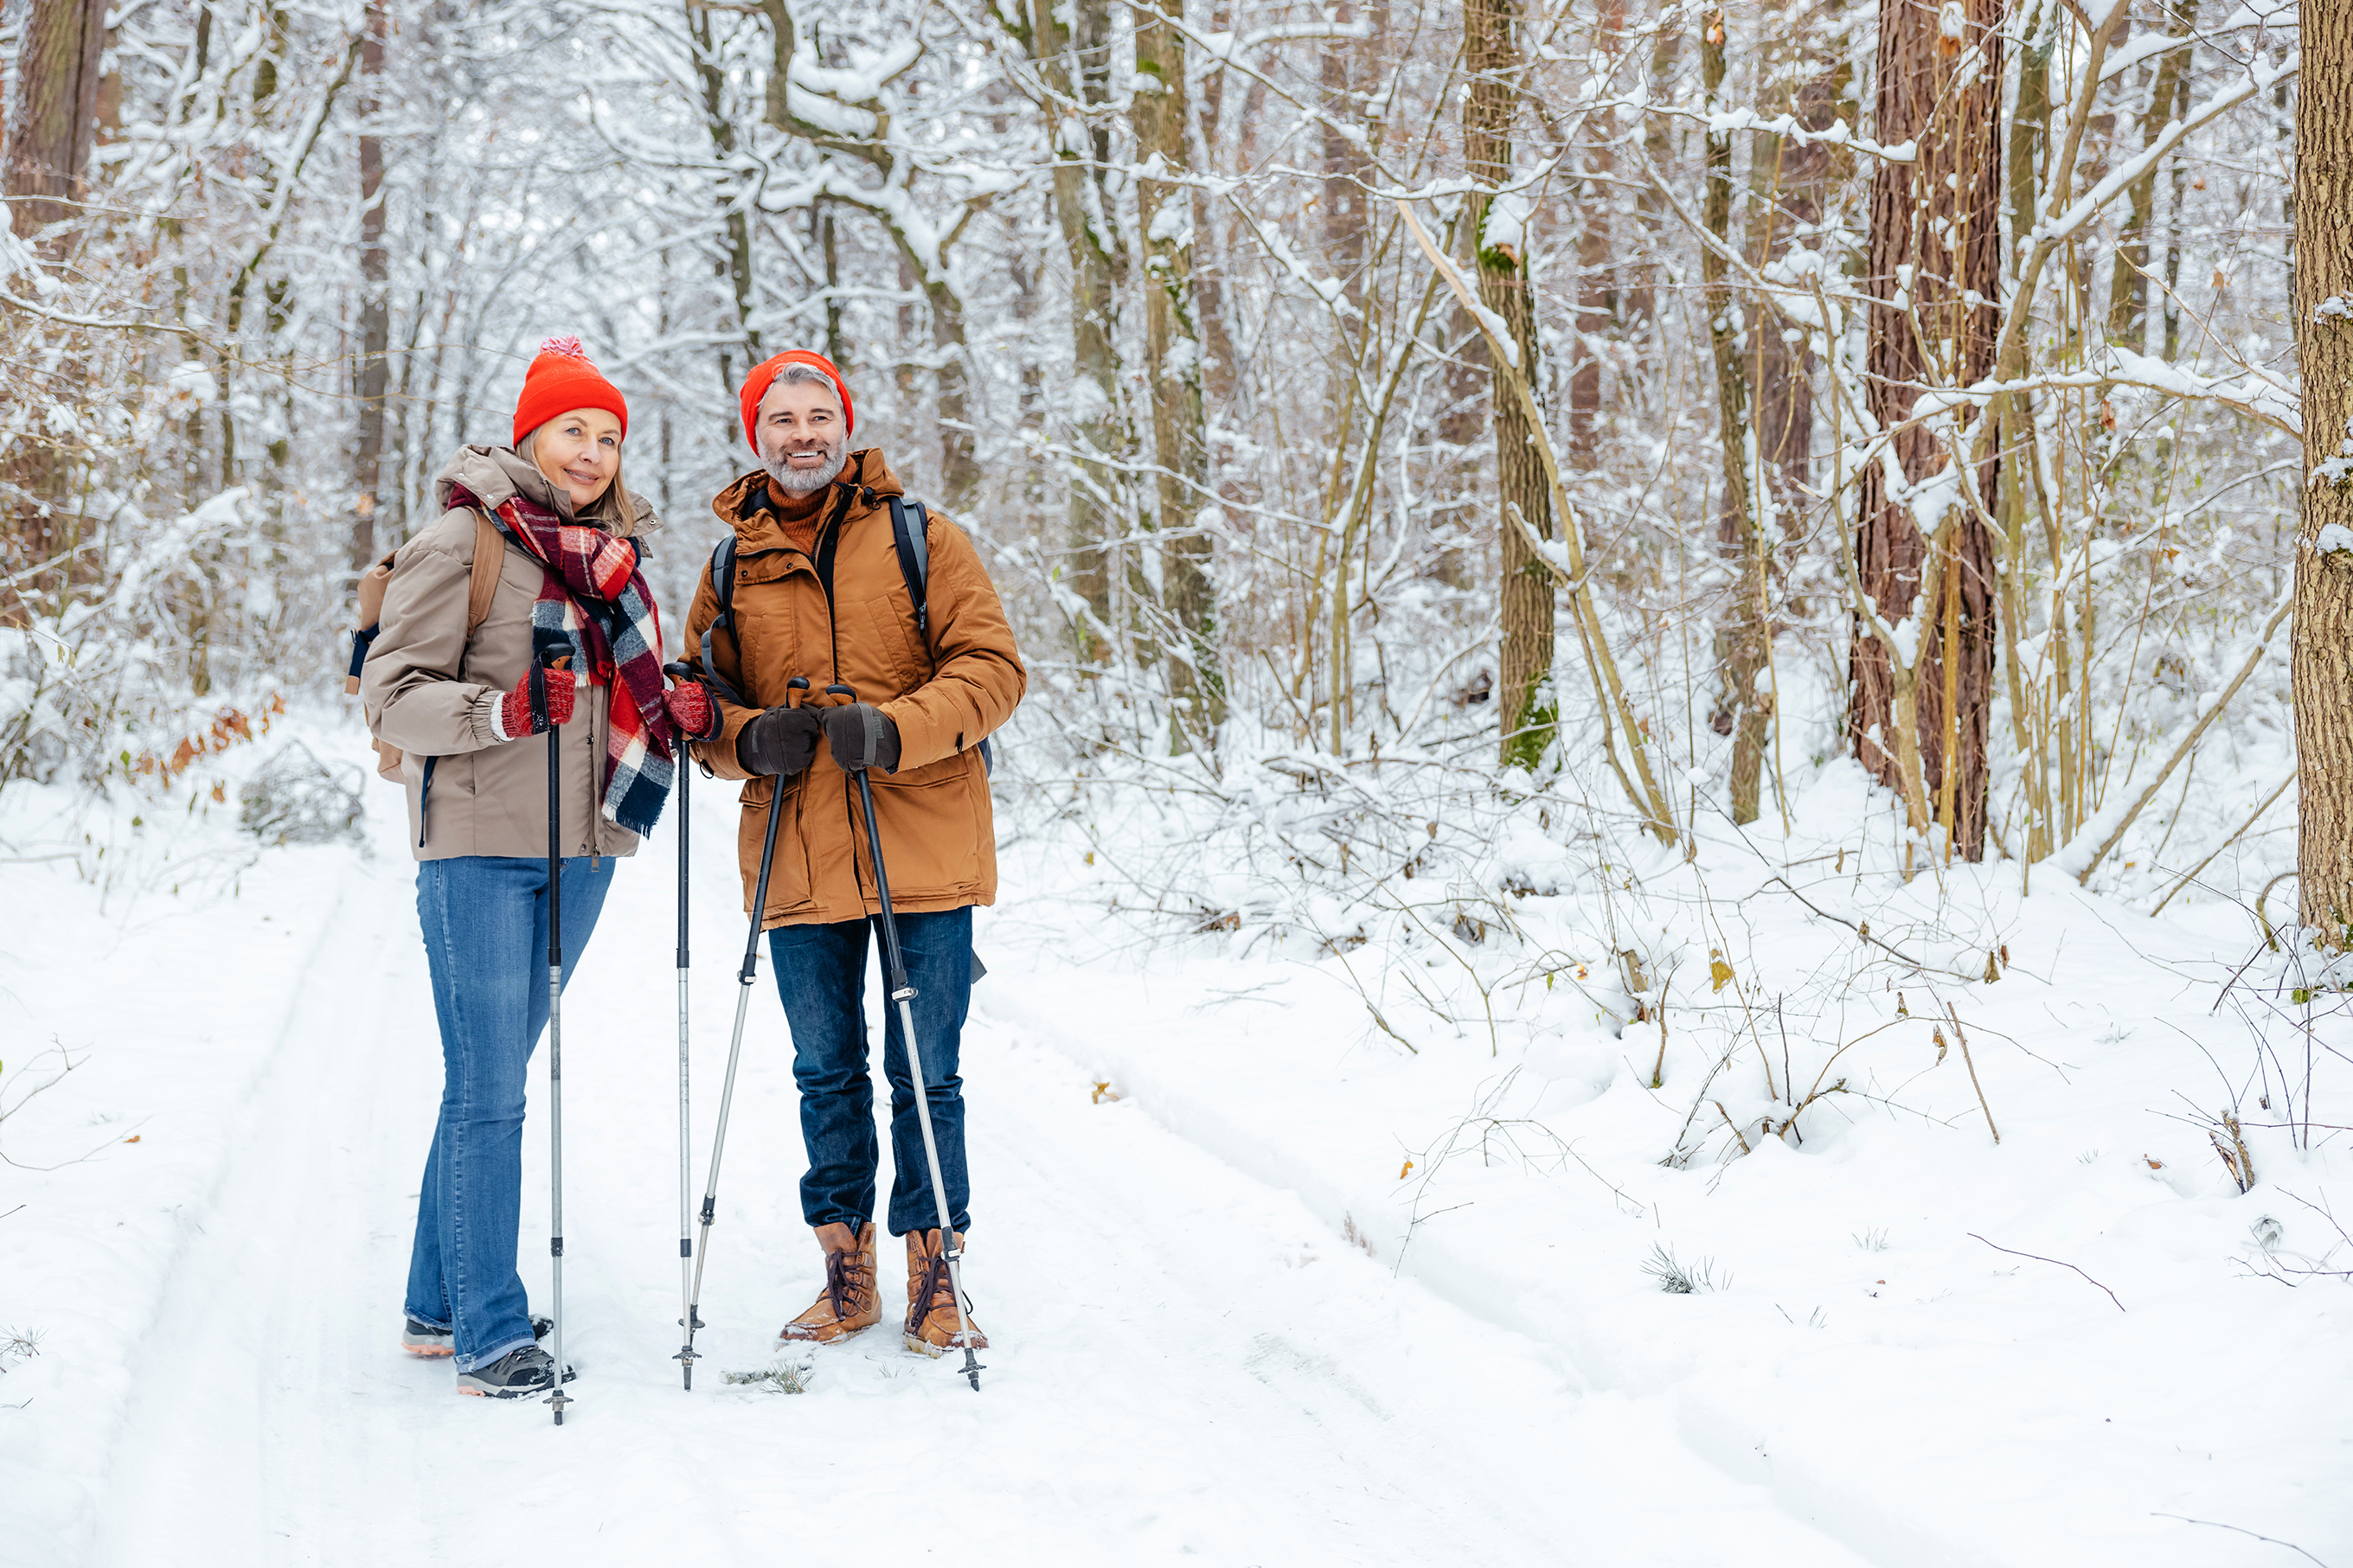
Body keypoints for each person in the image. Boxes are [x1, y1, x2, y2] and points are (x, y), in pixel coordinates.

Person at [362, 337, 713, 1398]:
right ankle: (490, 1333)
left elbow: (625, 699)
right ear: (528, 434)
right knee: (490, 1092)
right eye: (574, 429)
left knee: (490, 1078)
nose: (594, 451)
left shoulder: (614, 559)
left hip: (587, 848)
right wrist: (499, 710)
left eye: (608, 435)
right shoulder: (462, 541)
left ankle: (438, 1301)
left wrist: (677, 709)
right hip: (477, 847)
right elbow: (390, 692)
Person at [676, 349, 1024, 1355]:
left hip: (919, 834)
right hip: (796, 849)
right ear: (757, 436)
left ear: (844, 421)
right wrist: (744, 737)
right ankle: (847, 1272)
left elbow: (993, 668)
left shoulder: (923, 538)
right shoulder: (725, 566)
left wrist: (894, 729)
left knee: (928, 1070)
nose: (802, 433)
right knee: (825, 1070)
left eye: (816, 412)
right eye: (779, 418)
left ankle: (936, 1273)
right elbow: (697, 705)